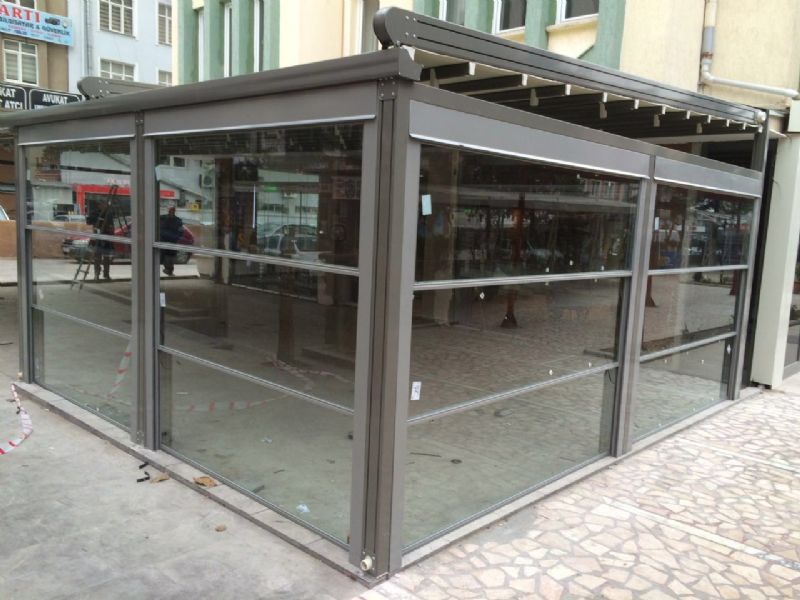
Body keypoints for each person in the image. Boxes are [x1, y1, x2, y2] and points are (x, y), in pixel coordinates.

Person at [86, 201, 115, 281]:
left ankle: (106, 274)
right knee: (97, 257)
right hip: (97, 238)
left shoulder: (108, 214)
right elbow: (88, 222)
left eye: (105, 205)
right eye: (102, 204)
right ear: (99, 205)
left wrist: (111, 234)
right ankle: (97, 274)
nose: (104, 206)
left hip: (106, 238)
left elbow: (112, 225)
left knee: (106, 258)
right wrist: (96, 219)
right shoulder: (95, 213)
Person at [160, 206, 183, 276]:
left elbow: (180, 231)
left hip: (171, 241)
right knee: (167, 255)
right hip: (166, 240)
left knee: (170, 255)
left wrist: (177, 237)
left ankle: (169, 270)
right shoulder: (163, 218)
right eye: (170, 210)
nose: (171, 211)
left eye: (172, 210)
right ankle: (168, 270)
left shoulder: (177, 220)